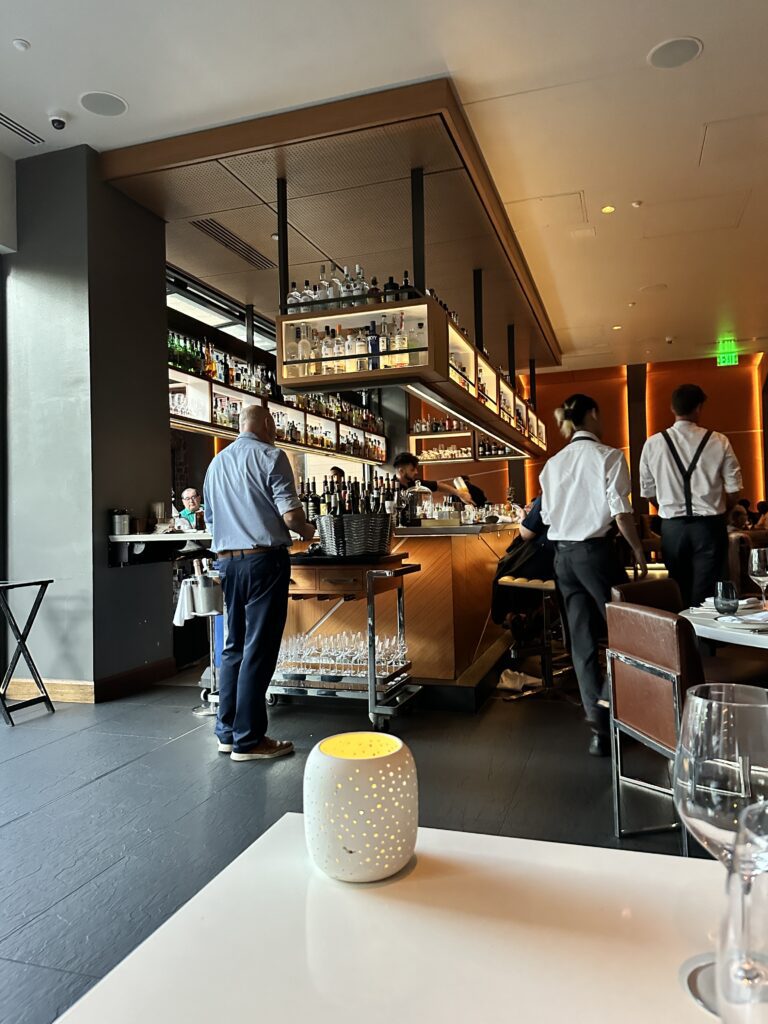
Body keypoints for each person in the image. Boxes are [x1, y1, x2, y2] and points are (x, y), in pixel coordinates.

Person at [204, 405, 315, 762]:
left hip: (227, 563)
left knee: (234, 645)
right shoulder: (272, 455)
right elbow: (291, 515)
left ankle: (227, 732)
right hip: (263, 560)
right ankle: (249, 740)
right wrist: (310, 531)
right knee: (260, 647)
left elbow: (210, 519)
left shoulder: (216, 463)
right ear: (267, 424)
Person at [540, 393, 647, 757]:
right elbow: (620, 511)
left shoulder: (552, 464)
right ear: (594, 413)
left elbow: (548, 519)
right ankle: (609, 708)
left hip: (563, 558)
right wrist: (637, 548)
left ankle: (599, 726)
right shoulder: (610, 456)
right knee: (627, 633)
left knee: (582, 642)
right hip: (595, 554)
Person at [639, 383, 742, 608]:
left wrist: (666, 506)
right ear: (699, 408)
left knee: (678, 588)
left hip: (672, 528)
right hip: (710, 526)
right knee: (707, 591)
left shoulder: (653, 444)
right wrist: (723, 512)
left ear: (672, 408)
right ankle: (704, 641)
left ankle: (681, 638)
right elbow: (734, 489)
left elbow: (648, 493)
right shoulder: (718, 440)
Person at [392, 452, 472, 503]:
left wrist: (459, 493)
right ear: (401, 471)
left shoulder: (415, 483)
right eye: (412, 470)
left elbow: (437, 485)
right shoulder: (390, 488)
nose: (416, 472)